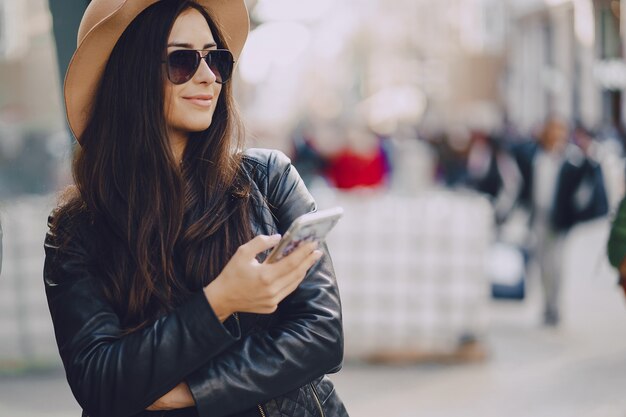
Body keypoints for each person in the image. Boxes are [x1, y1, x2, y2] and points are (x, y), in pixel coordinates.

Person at [43, 1, 349, 416]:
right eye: (183, 60)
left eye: (216, 59)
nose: (208, 76)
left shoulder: (268, 178)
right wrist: (220, 300)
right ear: (130, 74)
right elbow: (99, 381)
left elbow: (322, 336)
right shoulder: (78, 227)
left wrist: (194, 391)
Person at [512, 117, 609, 326]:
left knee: (555, 263)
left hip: (558, 220)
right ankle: (546, 305)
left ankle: (554, 307)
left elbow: (589, 175)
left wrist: (587, 152)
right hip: (538, 217)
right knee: (541, 263)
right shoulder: (535, 157)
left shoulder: (570, 160)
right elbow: (518, 160)